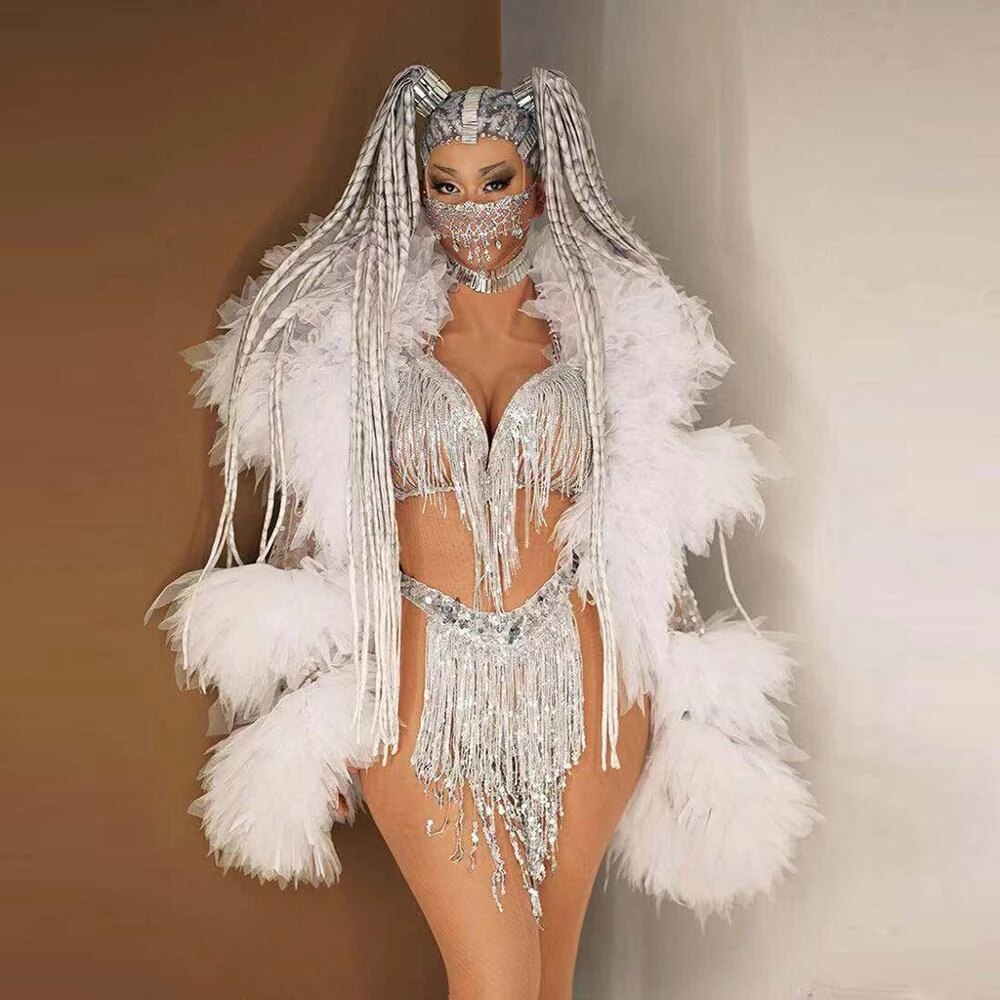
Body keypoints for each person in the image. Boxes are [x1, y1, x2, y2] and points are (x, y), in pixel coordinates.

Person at [149, 66, 820, 999]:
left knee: (546, 985)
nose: (470, 208)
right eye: (446, 185)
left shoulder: (607, 334)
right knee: (496, 979)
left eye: (494, 181)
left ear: (538, 184)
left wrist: (689, 702)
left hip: (587, 686)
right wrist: (307, 713)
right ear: (417, 190)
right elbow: (320, 529)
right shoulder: (358, 337)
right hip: (418, 683)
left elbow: (646, 520)